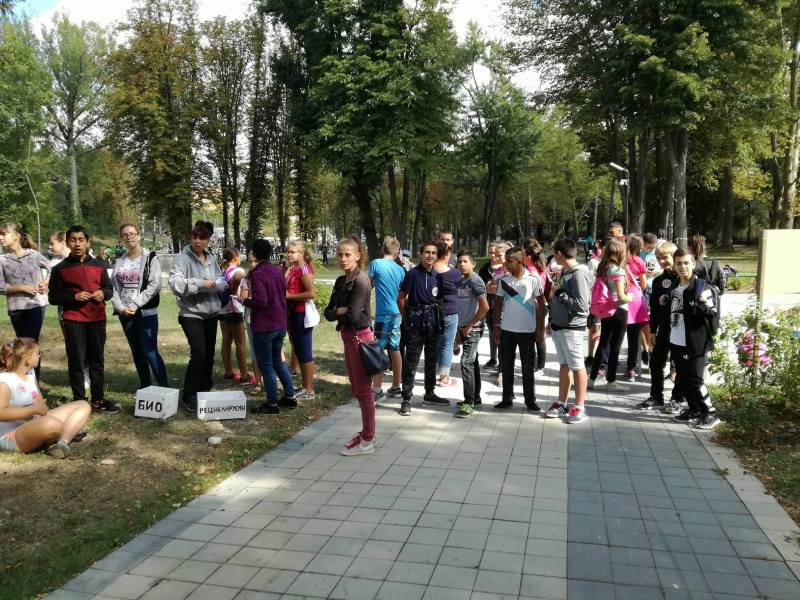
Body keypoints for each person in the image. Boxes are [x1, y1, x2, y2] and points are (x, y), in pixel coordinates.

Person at [49, 225, 118, 413]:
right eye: (73, 240)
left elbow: (109, 289)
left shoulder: (99, 265)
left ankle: (98, 400)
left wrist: (103, 293)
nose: (77, 244)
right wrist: (74, 297)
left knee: (97, 360)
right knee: (77, 361)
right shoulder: (60, 269)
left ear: (88, 242)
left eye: (81, 240)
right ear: (67, 243)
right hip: (74, 320)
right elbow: (53, 297)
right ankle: (79, 401)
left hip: (97, 319)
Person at [324, 237, 376, 455]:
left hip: (359, 338)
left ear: (358, 256)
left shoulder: (361, 280)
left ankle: (367, 439)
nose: (343, 258)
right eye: (340, 254)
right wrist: (338, 310)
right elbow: (328, 313)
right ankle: (366, 435)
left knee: (363, 391)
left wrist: (340, 311)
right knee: (357, 390)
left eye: (347, 254)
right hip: (348, 338)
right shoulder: (340, 281)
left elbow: (354, 316)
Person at [0, 338, 90, 458]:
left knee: (83, 405)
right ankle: (69, 430)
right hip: (11, 433)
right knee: (52, 424)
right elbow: (2, 413)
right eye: (37, 353)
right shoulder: (4, 381)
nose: (39, 356)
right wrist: (33, 410)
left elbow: (41, 405)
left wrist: (40, 408)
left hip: (34, 422)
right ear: (27, 359)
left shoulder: (30, 374)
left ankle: (62, 443)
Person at [169, 221, 225, 412]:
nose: (197, 241)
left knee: (208, 354)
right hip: (191, 313)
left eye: (202, 238)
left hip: (212, 313)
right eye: (194, 237)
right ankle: (189, 394)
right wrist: (200, 283)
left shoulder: (211, 258)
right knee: (199, 352)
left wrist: (221, 284)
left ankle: (204, 388)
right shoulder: (182, 258)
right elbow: (175, 284)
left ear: (208, 241)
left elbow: (216, 280)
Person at [239, 239, 295, 414]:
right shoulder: (277, 271)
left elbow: (261, 301)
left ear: (255, 254)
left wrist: (243, 300)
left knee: (267, 365)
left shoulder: (258, 274)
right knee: (278, 361)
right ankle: (290, 396)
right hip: (280, 323)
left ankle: (272, 403)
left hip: (265, 325)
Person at [110, 223, 168, 390]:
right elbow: (114, 287)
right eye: (125, 235)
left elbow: (155, 285)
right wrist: (120, 307)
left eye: (132, 233)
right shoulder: (120, 261)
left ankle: (165, 389)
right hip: (125, 313)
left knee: (150, 351)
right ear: (121, 239)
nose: (129, 237)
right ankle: (145, 387)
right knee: (137, 351)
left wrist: (135, 304)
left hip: (145, 313)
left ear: (138, 235)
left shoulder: (150, 257)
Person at [669, 249, 720, 430]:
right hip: (676, 339)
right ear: (674, 266)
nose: (682, 266)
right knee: (683, 377)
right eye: (679, 263)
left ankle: (711, 413)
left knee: (696, 379)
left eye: (686, 263)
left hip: (695, 341)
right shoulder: (675, 287)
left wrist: (702, 305)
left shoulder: (701, 287)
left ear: (693, 264)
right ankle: (694, 409)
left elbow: (712, 313)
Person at [492, 246, 546, 411]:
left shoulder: (533, 279)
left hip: (527, 331)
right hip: (507, 330)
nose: (506, 264)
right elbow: (498, 303)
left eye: (510, 261)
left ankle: (530, 401)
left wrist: (540, 328)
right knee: (506, 366)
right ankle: (507, 398)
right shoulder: (504, 280)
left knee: (527, 368)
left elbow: (541, 305)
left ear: (520, 261)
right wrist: (496, 325)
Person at [545, 238, 592, 423]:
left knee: (577, 365)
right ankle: (561, 403)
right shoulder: (565, 271)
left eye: (553, 254)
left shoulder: (579, 273)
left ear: (559, 253)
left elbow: (581, 305)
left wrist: (559, 293)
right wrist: (552, 320)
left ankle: (580, 406)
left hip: (572, 328)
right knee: (564, 364)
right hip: (560, 325)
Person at [398, 241, 447, 416]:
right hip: (416, 322)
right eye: (427, 252)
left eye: (433, 253)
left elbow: (439, 300)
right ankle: (406, 398)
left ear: (437, 256)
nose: (430, 256)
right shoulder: (412, 274)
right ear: (421, 254)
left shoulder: (437, 276)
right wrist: (407, 318)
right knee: (411, 361)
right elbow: (401, 298)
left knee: (431, 358)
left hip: (433, 322)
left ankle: (429, 392)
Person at [637, 241, 680, 411]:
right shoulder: (658, 281)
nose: (662, 261)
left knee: (679, 365)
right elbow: (654, 308)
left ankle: (677, 398)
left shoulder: (683, 278)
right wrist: (653, 330)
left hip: (680, 329)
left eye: (665, 257)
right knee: (655, 363)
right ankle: (656, 397)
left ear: (674, 257)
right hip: (664, 328)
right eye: (659, 258)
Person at [0, 224, 51, 363]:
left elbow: (53, 268)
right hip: (16, 308)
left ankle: (33, 375)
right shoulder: (2, 260)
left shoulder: (34, 255)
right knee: (21, 344)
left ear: (16, 236)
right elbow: (0, 287)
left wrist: (46, 282)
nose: (0, 237)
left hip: (36, 305)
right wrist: (23, 288)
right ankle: (23, 373)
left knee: (31, 343)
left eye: (4, 234)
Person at [588, 237, 633, 391]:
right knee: (615, 347)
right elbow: (621, 296)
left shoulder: (603, 267)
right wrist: (631, 298)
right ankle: (611, 381)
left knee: (602, 344)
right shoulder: (618, 270)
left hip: (606, 310)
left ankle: (592, 379)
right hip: (619, 310)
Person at [368, 237, 405, 400]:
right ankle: (396, 386)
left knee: (378, 350)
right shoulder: (400, 270)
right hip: (397, 313)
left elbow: (368, 285)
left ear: (382, 249)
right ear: (397, 253)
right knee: (394, 348)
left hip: (384, 314)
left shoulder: (376, 263)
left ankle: (376, 389)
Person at [454, 250, 489, 418]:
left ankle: (469, 403)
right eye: (459, 261)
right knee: (472, 362)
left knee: (466, 362)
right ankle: (475, 397)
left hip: (473, 329)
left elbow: (485, 307)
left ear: (473, 264)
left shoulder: (475, 281)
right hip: (462, 327)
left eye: (465, 261)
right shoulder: (461, 280)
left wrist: (470, 325)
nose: (462, 264)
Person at [285, 239, 316, 400]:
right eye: (288, 251)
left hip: (301, 314)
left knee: (305, 352)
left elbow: (311, 293)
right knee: (298, 350)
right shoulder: (293, 269)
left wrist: (289, 297)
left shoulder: (304, 268)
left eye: (292, 252)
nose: (289, 254)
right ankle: (305, 386)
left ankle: (309, 390)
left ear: (302, 253)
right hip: (292, 314)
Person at [218, 248, 251, 384]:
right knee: (240, 342)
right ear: (235, 258)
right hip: (234, 310)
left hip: (222, 310)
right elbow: (239, 276)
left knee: (226, 340)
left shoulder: (222, 271)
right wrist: (234, 286)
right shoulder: (238, 270)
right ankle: (244, 375)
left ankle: (228, 373)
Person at [434, 241, 461, 387]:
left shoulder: (429, 271)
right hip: (450, 311)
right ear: (446, 254)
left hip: (432, 312)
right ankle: (444, 378)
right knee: (447, 345)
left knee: (434, 344)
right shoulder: (454, 273)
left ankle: (431, 374)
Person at [623, 233, 650, 381]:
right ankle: (631, 369)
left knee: (613, 336)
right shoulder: (639, 261)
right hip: (635, 300)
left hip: (619, 298)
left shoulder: (619, 260)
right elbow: (644, 284)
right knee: (633, 338)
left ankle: (604, 366)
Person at [478, 241, 507, 371]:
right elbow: (480, 286)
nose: (494, 256)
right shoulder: (485, 268)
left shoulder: (508, 269)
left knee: (501, 334)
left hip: (503, 307)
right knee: (492, 331)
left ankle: (503, 366)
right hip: (490, 304)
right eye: (491, 253)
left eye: (497, 254)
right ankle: (493, 358)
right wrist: (487, 287)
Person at [239, 251, 262, 393]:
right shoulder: (246, 279)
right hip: (251, 318)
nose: (253, 264)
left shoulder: (268, 276)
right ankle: (258, 382)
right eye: (250, 261)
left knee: (274, 351)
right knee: (255, 351)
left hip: (269, 319)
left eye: (256, 261)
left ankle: (274, 380)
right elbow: (243, 298)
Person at [524, 238, 548, 372]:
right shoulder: (541, 268)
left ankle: (536, 366)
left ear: (528, 257)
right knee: (540, 337)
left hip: (535, 306)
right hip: (541, 305)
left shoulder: (530, 271)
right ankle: (539, 365)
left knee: (533, 338)